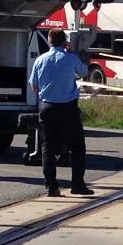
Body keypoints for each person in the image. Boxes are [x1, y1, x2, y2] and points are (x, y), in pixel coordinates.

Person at [29, 28, 92, 197]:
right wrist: (71, 52)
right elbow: (84, 72)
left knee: (47, 148)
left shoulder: (40, 60)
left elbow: (34, 86)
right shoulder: (71, 58)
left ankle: (52, 187)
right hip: (68, 108)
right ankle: (77, 184)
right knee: (77, 147)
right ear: (65, 42)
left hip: (47, 107)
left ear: (49, 41)